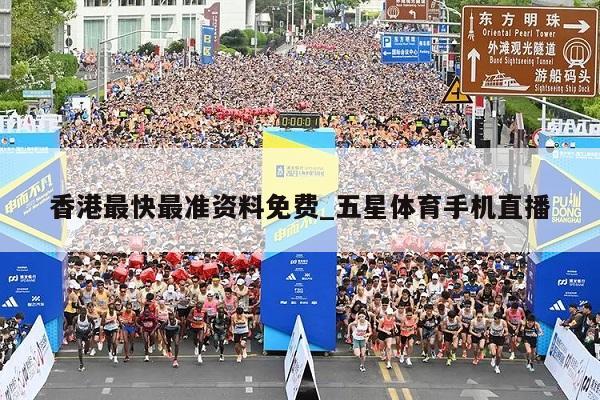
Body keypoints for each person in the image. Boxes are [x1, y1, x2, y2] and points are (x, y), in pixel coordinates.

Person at [74, 307, 94, 371]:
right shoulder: (76, 318)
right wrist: (74, 332)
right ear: (80, 313)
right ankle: (81, 364)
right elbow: (73, 325)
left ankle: (85, 350)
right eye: (82, 313)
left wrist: (91, 331)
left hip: (86, 333)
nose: (83, 315)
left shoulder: (89, 318)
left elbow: (93, 325)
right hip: (79, 333)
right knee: (79, 348)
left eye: (84, 313)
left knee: (86, 350)